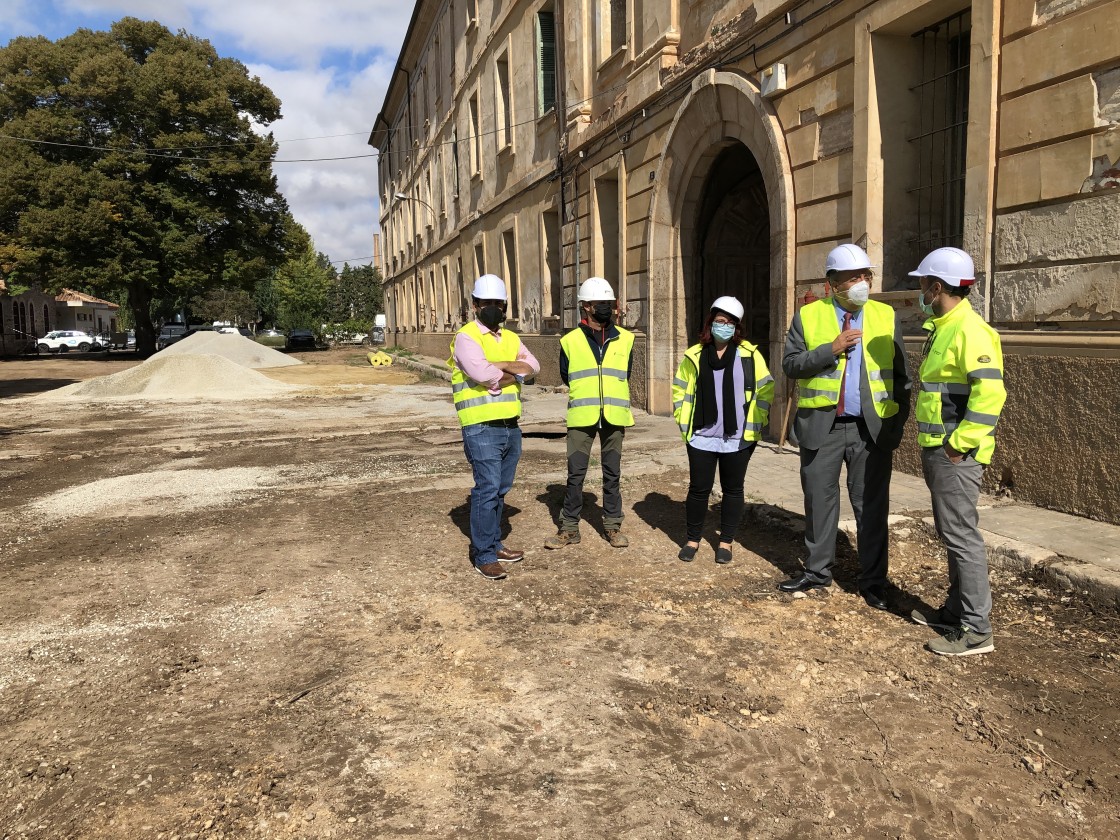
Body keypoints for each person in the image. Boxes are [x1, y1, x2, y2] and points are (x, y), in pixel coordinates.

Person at [778, 244, 911, 609]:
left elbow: (901, 377)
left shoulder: (885, 315)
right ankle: (818, 572)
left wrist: (896, 425)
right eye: (853, 277)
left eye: (866, 276)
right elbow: (790, 365)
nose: (862, 283)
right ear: (831, 283)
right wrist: (829, 349)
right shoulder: (808, 316)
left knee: (871, 505)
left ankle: (873, 582)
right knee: (819, 503)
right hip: (822, 427)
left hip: (871, 429)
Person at [908, 247, 1006, 656]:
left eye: (922, 286)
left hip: (956, 455)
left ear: (936, 287)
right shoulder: (944, 324)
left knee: (962, 536)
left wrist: (957, 445)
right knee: (952, 534)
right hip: (940, 450)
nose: (919, 293)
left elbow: (991, 395)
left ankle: (976, 629)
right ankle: (956, 609)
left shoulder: (971, 329)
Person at [448, 274, 541, 580]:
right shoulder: (466, 337)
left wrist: (500, 367)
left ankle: (495, 543)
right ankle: (484, 554)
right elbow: (482, 374)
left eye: (497, 304)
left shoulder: (511, 337)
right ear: (474, 305)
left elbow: (535, 366)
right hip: (480, 426)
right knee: (487, 489)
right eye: (486, 303)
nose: (493, 308)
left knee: (501, 490)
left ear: (505, 306)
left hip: (510, 425)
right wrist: (513, 370)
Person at [671, 296, 774, 564]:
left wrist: (757, 421)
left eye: (730, 323)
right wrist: (684, 420)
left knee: (733, 490)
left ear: (737, 327)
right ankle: (692, 540)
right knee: (698, 489)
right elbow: (679, 389)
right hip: (701, 436)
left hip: (737, 438)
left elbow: (766, 389)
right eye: (720, 321)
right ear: (710, 323)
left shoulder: (749, 355)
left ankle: (725, 542)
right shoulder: (693, 355)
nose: (724, 327)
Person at [545, 277, 635, 550]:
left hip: (614, 417)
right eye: (601, 304)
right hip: (582, 417)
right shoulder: (570, 340)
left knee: (612, 473)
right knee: (576, 475)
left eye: (609, 303)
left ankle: (612, 526)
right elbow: (566, 375)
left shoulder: (626, 338)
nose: (606, 308)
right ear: (586, 307)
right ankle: (569, 528)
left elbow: (625, 374)